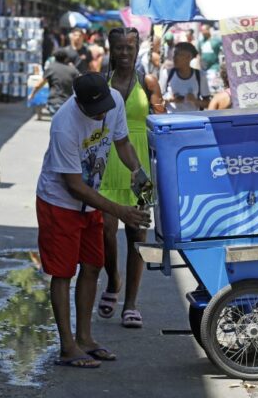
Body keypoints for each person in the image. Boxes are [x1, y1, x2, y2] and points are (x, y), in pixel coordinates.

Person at [36, 73, 151, 368]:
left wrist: (137, 172)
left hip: (90, 203)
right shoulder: (64, 125)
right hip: (59, 203)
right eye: (95, 109)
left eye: (105, 106)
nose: (102, 113)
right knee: (63, 273)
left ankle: (85, 338)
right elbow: (74, 185)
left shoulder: (113, 102)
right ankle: (67, 347)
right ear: (79, 103)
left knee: (92, 265)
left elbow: (122, 142)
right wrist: (119, 210)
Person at [98, 28, 164, 329]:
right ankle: (113, 280)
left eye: (130, 47)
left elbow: (162, 123)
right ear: (110, 48)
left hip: (141, 167)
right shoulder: (101, 81)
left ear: (137, 49)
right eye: (119, 48)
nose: (125, 53)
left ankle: (131, 304)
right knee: (105, 231)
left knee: (138, 235)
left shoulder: (148, 82)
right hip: (107, 164)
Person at [159, 42, 211, 112]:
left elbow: (208, 103)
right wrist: (170, 99)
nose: (175, 57)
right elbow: (158, 102)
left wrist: (194, 100)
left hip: (193, 119)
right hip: (171, 119)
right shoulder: (167, 73)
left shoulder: (200, 76)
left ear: (189, 57)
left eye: (179, 54)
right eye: (174, 54)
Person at [28, 48, 80, 116]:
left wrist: (32, 94)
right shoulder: (72, 70)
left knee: (57, 123)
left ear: (54, 57)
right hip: (68, 103)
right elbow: (80, 83)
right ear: (66, 58)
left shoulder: (51, 68)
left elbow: (39, 84)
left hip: (54, 102)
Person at [197, 22, 223, 93]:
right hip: (204, 69)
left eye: (204, 30)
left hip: (213, 68)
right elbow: (199, 54)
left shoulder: (216, 41)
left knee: (212, 88)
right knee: (205, 88)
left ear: (208, 30)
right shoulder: (201, 42)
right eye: (201, 30)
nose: (202, 32)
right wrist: (199, 66)